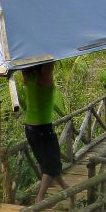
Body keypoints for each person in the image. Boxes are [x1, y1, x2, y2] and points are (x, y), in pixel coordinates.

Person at [22, 62, 67, 201]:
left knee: (49, 161)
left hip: (30, 128)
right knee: (51, 164)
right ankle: (40, 198)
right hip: (42, 128)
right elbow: (50, 61)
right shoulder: (44, 78)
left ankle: (67, 189)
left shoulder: (28, 76)